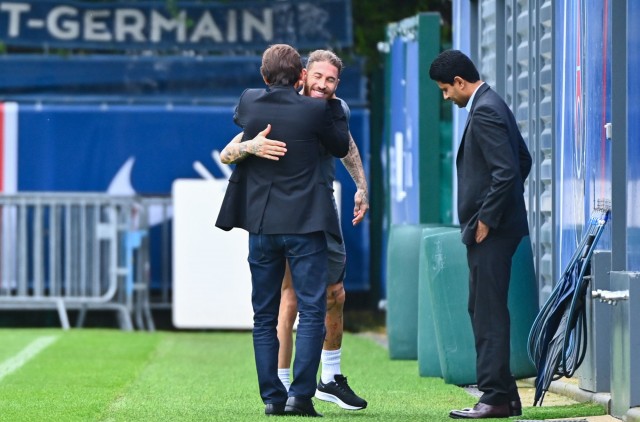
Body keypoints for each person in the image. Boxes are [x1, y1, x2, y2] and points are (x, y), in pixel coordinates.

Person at [220, 49, 369, 411]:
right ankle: (292, 390)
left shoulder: (256, 102)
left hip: (295, 219)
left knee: (329, 295)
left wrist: (362, 186)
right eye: (318, 77)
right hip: (301, 221)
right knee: (294, 302)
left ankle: (321, 381)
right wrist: (252, 145)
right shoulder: (316, 109)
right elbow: (228, 152)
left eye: (331, 80)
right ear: (302, 75)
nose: (323, 84)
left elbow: (345, 146)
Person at [428, 50, 532, 419]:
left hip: (490, 232)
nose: (446, 97)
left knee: (486, 313)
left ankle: (493, 399)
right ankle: (506, 396)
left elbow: (507, 171)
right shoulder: (494, 103)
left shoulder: (485, 109)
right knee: (484, 308)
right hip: (498, 229)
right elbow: (524, 161)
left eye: (445, 90)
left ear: (459, 82)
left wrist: (487, 219)